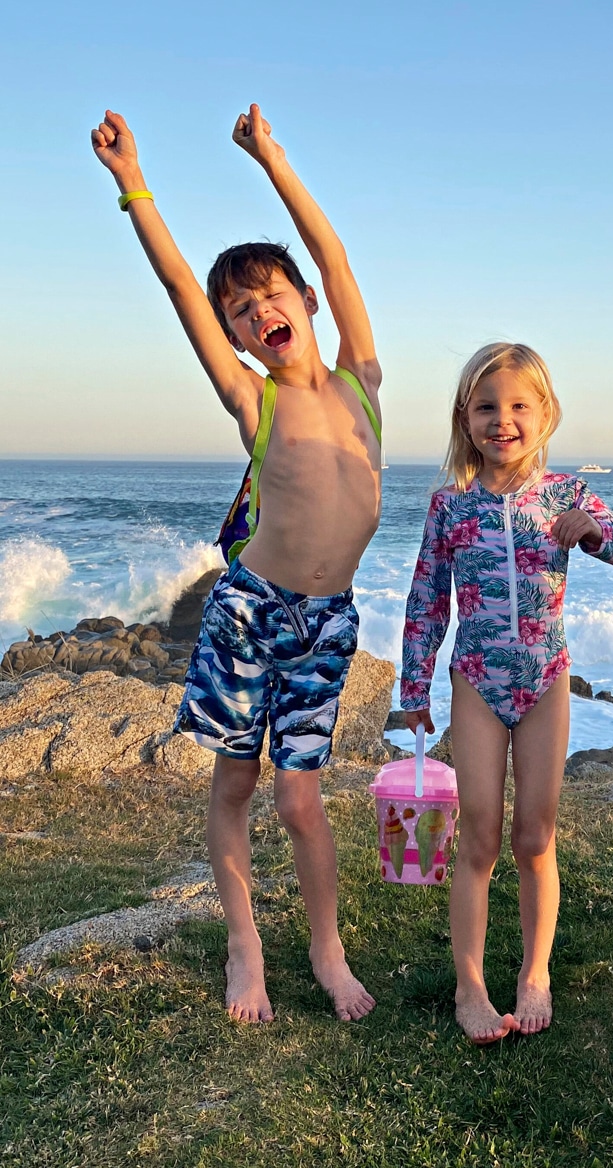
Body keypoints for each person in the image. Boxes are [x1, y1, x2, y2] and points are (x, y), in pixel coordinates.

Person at [91, 106, 382, 1025]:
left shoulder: (361, 383)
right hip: (251, 613)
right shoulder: (250, 400)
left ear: (306, 304)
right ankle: (244, 945)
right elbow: (181, 286)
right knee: (235, 785)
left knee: (302, 804)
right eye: (242, 311)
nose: (261, 312)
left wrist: (273, 159)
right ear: (241, 338)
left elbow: (333, 255)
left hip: (328, 624)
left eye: (272, 295)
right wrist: (133, 185)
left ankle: (328, 953)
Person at [400, 343, 613, 1043]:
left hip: (546, 680)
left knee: (535, 836)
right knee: (479, 837)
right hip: (476, 681)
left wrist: (596, 534)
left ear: (545, 415)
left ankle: (534, 972)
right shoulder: (449, 505)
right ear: (465, 417)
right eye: (487, 406)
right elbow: (427, 599)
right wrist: (413, 683)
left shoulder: (566, 495)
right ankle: (470, 985)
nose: (502, 420)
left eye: (518, 406)